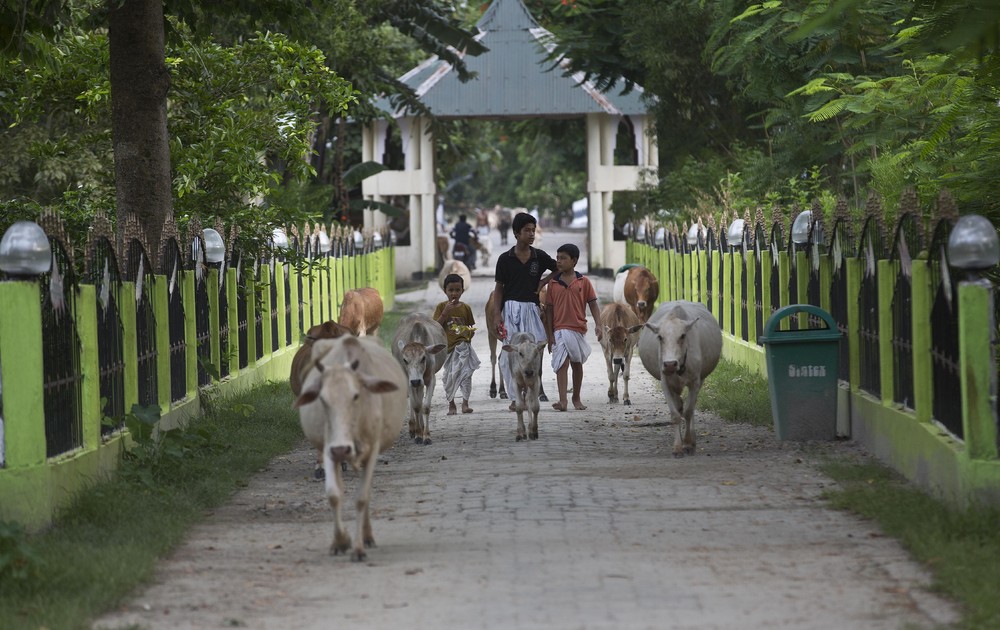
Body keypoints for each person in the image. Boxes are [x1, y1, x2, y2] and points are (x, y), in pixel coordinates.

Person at [492, 212, 557, 408]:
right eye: (526, 230)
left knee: (534, 350)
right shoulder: (505, 259)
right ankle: (515, 397)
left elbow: (559, 268)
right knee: (509, 354)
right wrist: (497, 315)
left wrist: (544, 280)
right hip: (510, 309)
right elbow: (499, 288)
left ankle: (531, 392)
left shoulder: (539, 257)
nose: (531, 234)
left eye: (533, 230)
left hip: (532, 308)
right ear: (516, 233)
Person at [542, 243, 603, 411]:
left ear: (574, 261)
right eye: (557, 258)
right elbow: (548, 310)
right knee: (562, 363)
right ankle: (563, 401)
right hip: (559, 329)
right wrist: (549, 335)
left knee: (577, 363)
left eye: (563, 258)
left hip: (577, 329)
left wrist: (598, 324)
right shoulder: (553, 284)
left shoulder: (584, 282)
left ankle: (576, 397)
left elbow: (593, 304)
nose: (559, 262)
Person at [434, 273, 481, 415]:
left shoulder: (466, 308)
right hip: (448, 350)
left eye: (457, 290)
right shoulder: (441, 307)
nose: (454, 293)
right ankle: (451, 404)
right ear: (445, 291)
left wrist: (469, 333)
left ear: (462, 290)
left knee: (466, 375)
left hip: (464, 347)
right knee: (449, 376)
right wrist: (445, 313)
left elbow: (470, 326)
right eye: (451, 290)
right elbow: (435, 326)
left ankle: (465, 404)